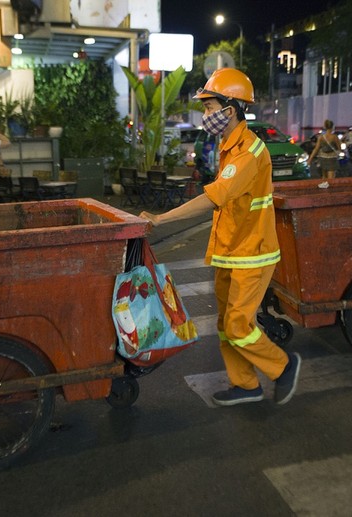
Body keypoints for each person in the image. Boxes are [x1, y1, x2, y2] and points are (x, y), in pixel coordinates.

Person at [139, 68, 301, 407]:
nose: (206, 115)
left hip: (252, 253)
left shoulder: (249, 153)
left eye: (210, 107)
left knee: (239, 325)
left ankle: (283, 367)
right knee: (226, 325)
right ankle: (245, 385)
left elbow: (214, 197)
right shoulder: (229, 146)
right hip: (231, 250)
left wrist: (161, 218)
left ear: (232, 109)